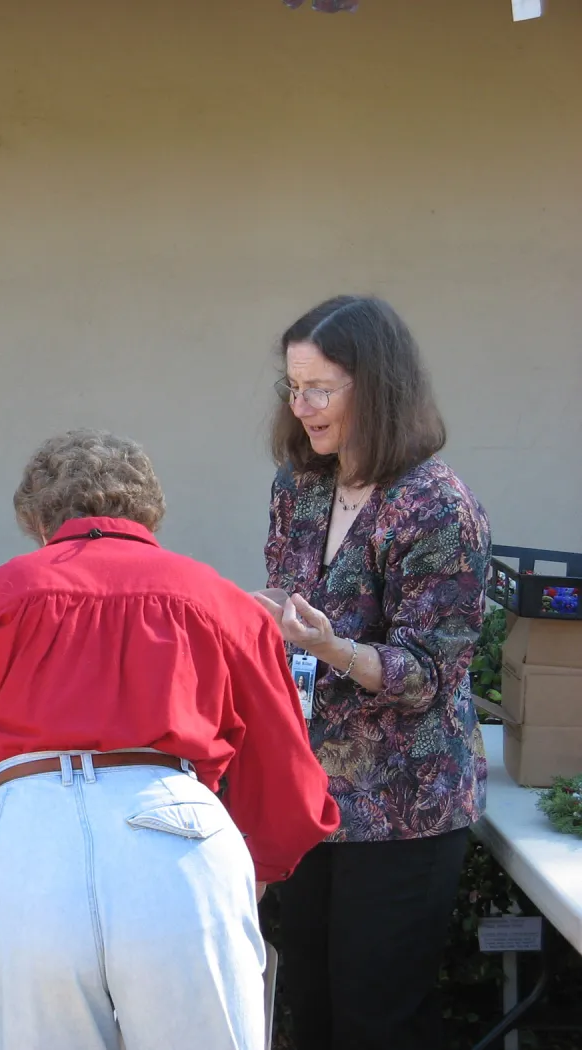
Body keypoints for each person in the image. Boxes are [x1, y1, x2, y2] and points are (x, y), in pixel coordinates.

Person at [0, 429, 339, 1050]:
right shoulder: (223, 602)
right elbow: (286, 776)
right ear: (148, 511)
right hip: (176, 836)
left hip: (24, 842)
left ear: (40, 520)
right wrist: (262, 863)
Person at [256, 295, 491, 1050]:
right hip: (312, 797)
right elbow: (294, 603)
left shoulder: (437, 506)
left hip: (404, 809)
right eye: (294, 387)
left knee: (376, 1021)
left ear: (377, 387)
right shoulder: (299, 487)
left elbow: (429, 673)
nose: (301, 408)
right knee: (310, 1011)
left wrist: (333, 649)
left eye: (319, 389)